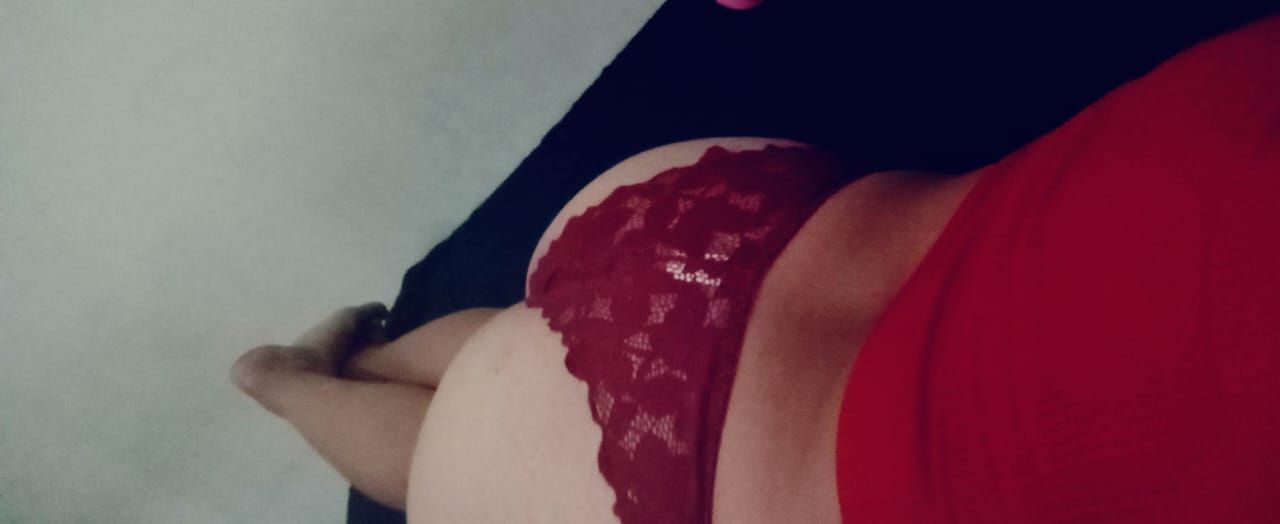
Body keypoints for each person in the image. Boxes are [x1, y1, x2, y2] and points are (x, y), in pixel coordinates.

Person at [233, 11, 1280, 522]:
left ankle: (341, 357)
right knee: (460, 447)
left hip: (726, 228)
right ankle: (284, 382)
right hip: (695, 482)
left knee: (521, 365)